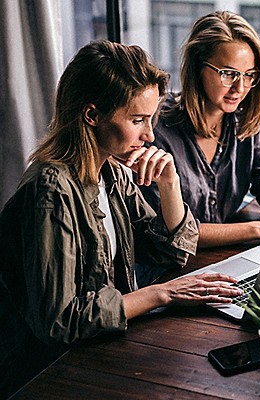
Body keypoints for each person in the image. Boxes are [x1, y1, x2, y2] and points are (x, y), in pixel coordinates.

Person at [0, 40, 242, 398]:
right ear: (92, 115)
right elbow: (61, 322)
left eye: (152, 119)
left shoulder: (110, 173)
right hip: (44, 373)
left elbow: (173, 252)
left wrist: (169, 183)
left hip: (95, 349)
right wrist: (161, 294)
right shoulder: (51, 191)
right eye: (137, 120)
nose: (149, 135)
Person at [139, 11, 260, 248]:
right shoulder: (155, 127)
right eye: (228, 74)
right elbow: (168, 231)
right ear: (198, 66)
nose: (240, 88)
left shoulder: (245, 120)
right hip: (166, 269)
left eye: (249, 75)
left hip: (221, 259)